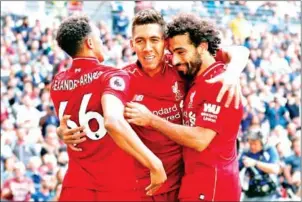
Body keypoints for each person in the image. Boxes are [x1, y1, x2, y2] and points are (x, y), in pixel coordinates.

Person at [56, 9, 249, 201]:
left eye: (154, 40)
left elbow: (238, 51)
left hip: (183, 185)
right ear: (132, 44)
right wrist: (63, 131)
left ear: (165, 43)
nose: (147, 47)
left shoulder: (181, 64)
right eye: (140, 41)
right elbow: (96, 119)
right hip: (144, 189)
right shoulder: (123, 79)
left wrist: (233, 72)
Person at [124, 13, 244, 201]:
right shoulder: (192, 74)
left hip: (212, 187)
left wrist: (151, 120)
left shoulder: (219, 82)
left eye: (181, 52)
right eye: (173, 53)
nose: (176, 60)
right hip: (187, 184)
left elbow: (200, 139)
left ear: (202, 47)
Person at [50, 14, 166, 201]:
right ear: (90, 43)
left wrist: (59, 132)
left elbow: (71, 122)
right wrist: (154, 163)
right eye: (99, 39)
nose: (102, 42)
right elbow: (112, 121)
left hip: (75, 186)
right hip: (113, 186)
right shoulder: (111, 76)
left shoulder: (57, 82)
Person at [239, 129, 280, 201]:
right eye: (250, 143)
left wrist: (255, 163)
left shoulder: (269, 150)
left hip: (268, 192)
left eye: (255, 144)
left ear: (262, 143)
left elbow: (275, 169)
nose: (252, 146)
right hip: (250, 193)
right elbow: (236, 168)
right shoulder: (246, 152)